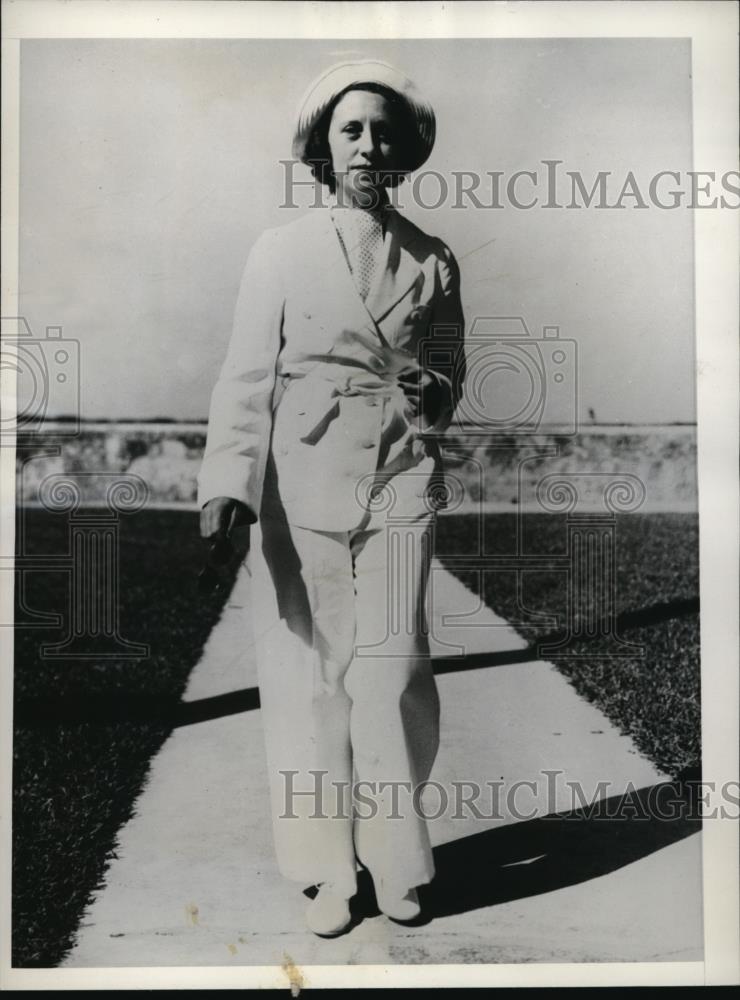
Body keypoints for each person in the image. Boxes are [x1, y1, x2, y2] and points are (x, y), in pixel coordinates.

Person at [198, 59, 466, 937]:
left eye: (383, 131)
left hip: (400, 478)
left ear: (405, 150)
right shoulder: (279, 251)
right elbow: (245, 375)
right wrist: (227, 483)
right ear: (323, 146)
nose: (368, 144)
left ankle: (397, 861)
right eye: (351, 130)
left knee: (392, 671)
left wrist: (432, 391)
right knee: (313, 677)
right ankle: (324, 870)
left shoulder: (434, 259)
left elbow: (451, 377)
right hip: (299, 482)